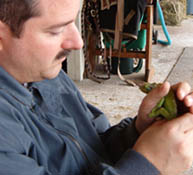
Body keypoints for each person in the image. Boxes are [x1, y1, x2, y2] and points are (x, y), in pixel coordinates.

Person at [0, 0, 193, 175]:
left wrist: (140, 131)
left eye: (72, 22)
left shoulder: (47, 75)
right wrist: (147, 166)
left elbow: (94, 147)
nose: (78, 42)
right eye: (56, 30)